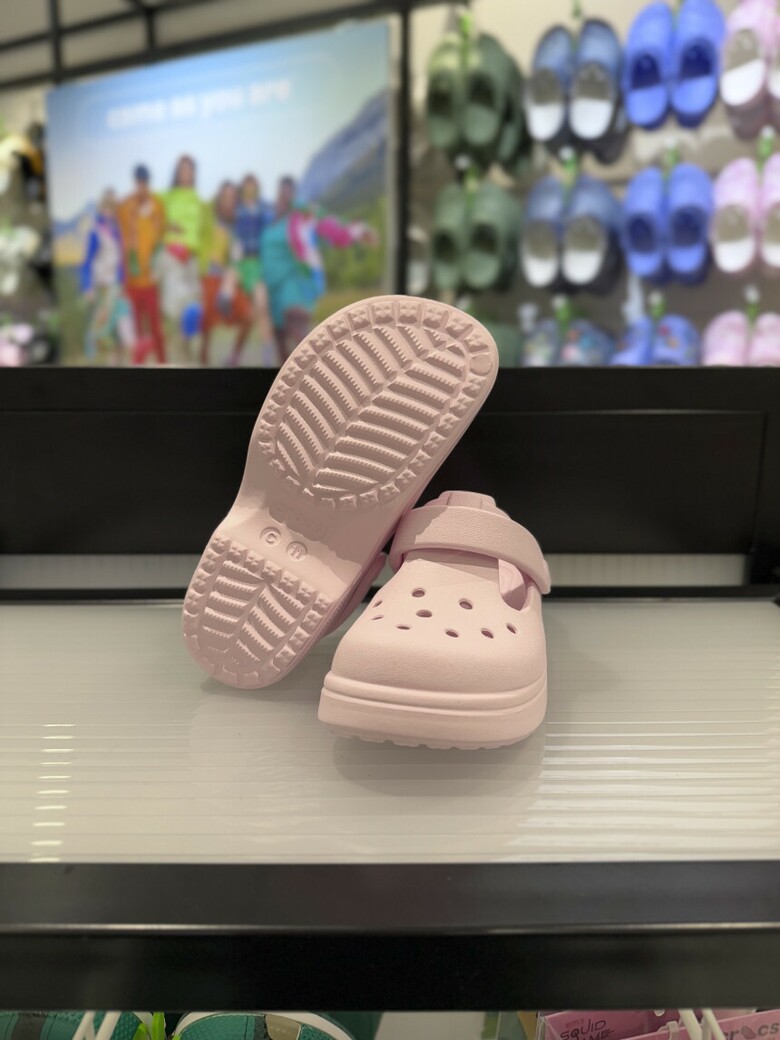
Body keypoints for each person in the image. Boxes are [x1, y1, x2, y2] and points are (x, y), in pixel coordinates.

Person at [261, 175, 379, 363]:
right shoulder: (267, 218)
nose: (284, 197)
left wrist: (358, 231)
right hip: (272, 284)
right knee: (281, 340)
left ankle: (320, 367)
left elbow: (329, 225)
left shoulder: (303, 215)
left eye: (289, 193)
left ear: (294, 195)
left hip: (297, 279)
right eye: (281, 193)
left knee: (297, 325)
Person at [218, 173, 275, 366]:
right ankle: (224, 299)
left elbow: (272, 220)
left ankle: (267, 358)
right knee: (231, 274)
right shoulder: (238, 210)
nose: (249, 191)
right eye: (246, 188)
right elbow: (225, 216)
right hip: (241, 262)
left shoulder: (263, 210)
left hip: (257, 264)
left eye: (253, 187)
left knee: (260, 310)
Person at [79, 189, 138, 365]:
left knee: (125, 328)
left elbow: (121, 262)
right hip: (102, 288)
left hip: (117, 288)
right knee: (107, 332)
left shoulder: (117, 231)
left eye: (113, 207)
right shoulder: (95, 232)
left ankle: (133, 362)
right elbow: (86, 262)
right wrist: (87, 287)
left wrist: (124, 283)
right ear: (101, 207)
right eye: (107, 207)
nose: (109, 211)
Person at [198, 180, 253, 367]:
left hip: (226, 279)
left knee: (248, 316)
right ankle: (203, 357)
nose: (230, 200)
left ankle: (234, 358)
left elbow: (237, 257)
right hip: (207, 275)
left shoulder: (237, 225)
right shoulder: (208, 216)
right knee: (206, 319)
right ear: (219, 198)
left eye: (233, 197)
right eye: (226, 196)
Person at [118, 163, 165, 364]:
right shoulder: (125, 206)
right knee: (136, 331)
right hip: (132, 282)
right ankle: (139, 368)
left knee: (156, 328)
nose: (142, 186)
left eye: (145, 182)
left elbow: (161, 238)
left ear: (148, 182)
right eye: (139, 182)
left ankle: (164, 365)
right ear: (134, 182)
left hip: (151, 281)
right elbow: (121, 241)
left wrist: (157, 265)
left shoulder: (157, 205)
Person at [160, 155, 206, 359]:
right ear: (177, 173)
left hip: (191, 260)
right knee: (178, 307)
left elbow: (202, 232)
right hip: (172, 258)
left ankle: (185, 347)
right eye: (183, 169)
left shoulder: (197, 200)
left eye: (190, 169)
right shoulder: (167, 197)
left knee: (194, 310)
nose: (187, 173)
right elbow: (153, 219)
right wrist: (168, 227)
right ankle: (177, 353)